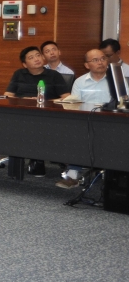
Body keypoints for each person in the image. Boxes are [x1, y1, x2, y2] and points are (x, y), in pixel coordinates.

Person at [0, 46, 70, 177]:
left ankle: (38, 161)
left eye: (38, 55)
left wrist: (44, 100)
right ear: (24, 64)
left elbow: (66, 97)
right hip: (20, 112)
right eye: (31, 58)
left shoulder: (53, 75)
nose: (36, 59)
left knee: (36, 126)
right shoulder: (19, 74)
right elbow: (8, 95)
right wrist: (24, 99)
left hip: (45, 114)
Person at [57, 50, 116, 188]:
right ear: (87, 65)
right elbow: (74, 104)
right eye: (95, 60)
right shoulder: (80, 82)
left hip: (111, 121)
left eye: (103, 58)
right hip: (86, 120)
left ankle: (113, 174)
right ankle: (72, 175)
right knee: (78, 135)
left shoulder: (116, 81)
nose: (100, 62)